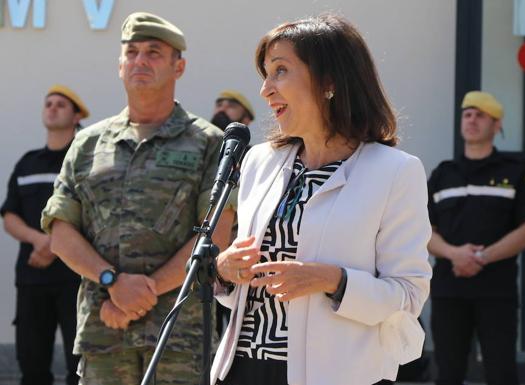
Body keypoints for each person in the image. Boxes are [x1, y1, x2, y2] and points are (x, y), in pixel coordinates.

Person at [210, 14, 432, 385]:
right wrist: (226, 270)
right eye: (265, 74)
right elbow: (237, 291)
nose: (265, 90)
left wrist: (333, 280)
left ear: (330, 81)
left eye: (280, 71)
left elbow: (408, 296)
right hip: (244, 369)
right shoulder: (258, 161)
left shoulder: (394, 171)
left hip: (337, 374)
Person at [40, 12, 235, 385]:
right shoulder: (87, 144)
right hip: (103, 336)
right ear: (120, 65)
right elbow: (61, 233)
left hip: (178, 337)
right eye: (131, 52)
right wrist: (113, 282)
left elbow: (215, 235)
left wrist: (139, 294)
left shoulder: (209, 143)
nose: (140, 61)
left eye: (153, 52)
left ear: (179, 66)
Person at [427, 91, 525, 385]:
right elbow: (422, 231)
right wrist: (456, 254)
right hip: (448, 290)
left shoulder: (515, 173)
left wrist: (480, 257)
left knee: (501, 372)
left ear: (496, 125)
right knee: (448, 373)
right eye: (467, 114)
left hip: (496, 292)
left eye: (481, 115)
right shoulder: (443, 174)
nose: (472, 120)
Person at [1, 85, 88, 385]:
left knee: (80, 367)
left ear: (77, 116)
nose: (52, 108)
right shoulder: (27, 162)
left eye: (61, 105)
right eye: (48, 103)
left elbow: (92, 213)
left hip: (76, 278)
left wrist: (56, 245)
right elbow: (9, 215)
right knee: (32, 363)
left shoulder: (85, 161)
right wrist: (39, 241)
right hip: (32, 278)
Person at [210, 90, 255, 338]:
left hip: (238, 258)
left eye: (231, 106)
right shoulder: (206, 150)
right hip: (206, 258)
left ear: (246, 120)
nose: (222, 108)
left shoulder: (255, 159)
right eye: (219, 102)